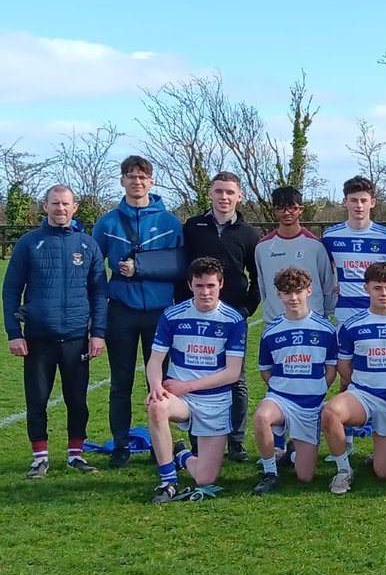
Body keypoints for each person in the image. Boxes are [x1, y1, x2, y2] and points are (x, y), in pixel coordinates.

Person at [3, 184, 107, 478]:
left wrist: (97, 332)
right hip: (38, 338)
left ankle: (76, 455)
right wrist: (14, 332)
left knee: (77, 400)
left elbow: (99, 292)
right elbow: (11, 289)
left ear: (75, 208)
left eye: (66, 204)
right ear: (45, 207)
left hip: (76, 337)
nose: (60, 209)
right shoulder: (28, 243)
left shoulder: (88, 245)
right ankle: (39, 458)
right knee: (36, 399)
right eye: (55, 203)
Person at [90, 155, 185, 468]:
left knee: (158, 383)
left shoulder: (169, 222)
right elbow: (93, 269)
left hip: (160, 313)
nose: (137, 182)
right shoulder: (107, 222)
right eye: (131, 176)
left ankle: (164, 443)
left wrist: (140, 267)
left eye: (142, 176)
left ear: (152, 181)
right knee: (120, 381)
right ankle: (120, 445)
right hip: (121, 311)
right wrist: (99, 307)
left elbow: (179, 265)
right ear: (122, 181)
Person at [145, 257, 247, 503]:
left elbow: (233, 373)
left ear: (221, 285)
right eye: (199, 286)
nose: (205, 292)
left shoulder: (233, 320)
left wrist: (187, 385)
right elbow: (155, 360)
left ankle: (180, 454)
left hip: (214, 401)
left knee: (205, 479)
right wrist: (157, 386)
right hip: (180, 398)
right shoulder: (172, 315)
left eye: (211, 286)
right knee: (157, 407)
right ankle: (168, 480)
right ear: (190, 285)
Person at [320, 262, 386, 494]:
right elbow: (343, 365)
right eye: (377, 288)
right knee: (330, 412)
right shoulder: (352, 325)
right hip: (363, 396)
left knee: (384, 473)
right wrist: (362, 384)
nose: (384, 293)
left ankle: (381, 454)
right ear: (366, 288)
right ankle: (343, 471)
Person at [180, 172, 260, 462]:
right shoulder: (192, 227)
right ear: (210, 194)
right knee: (197, 376)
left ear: (239, 196)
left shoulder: (249, 233)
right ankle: (198, 440)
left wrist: (246, 309)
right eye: (218, 191)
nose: (224, 197)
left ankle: (236, 441)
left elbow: (257, 276)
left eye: (229, 192)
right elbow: (183, 270)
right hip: (197, 317)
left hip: (232, 318)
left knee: (236, 378)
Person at [252, 268, 338, 495]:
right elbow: (265, 371)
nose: (293, 298)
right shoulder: (271, 331)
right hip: (280, 398)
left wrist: (316, 390)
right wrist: (282, 390)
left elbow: (331, 369)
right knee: (262, 416)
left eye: (298, 292)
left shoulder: (326, 329)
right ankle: (270, 472)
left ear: (309, 291)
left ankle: (291, 452)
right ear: (279, 295)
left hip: (310, 404)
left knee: (306, 477)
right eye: (287, 293)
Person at [255, 186, 337, 324]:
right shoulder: (262, 247)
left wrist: (326, 314)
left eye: (292, 207)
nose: (286, 212)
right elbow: (263, 287)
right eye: (281, 207)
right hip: (275, 322)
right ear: (274, 211)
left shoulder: (316, 245)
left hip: (313, 321)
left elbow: (328, 284)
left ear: (301, 210)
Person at [323, 176, 386, 326]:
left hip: (377, 311)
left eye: (363, 200)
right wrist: (332, 285)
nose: (359, 205)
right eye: (353, 200)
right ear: (345, 202)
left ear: (372, 203)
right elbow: (325, 269)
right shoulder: (331, 236)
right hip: (345, 312)